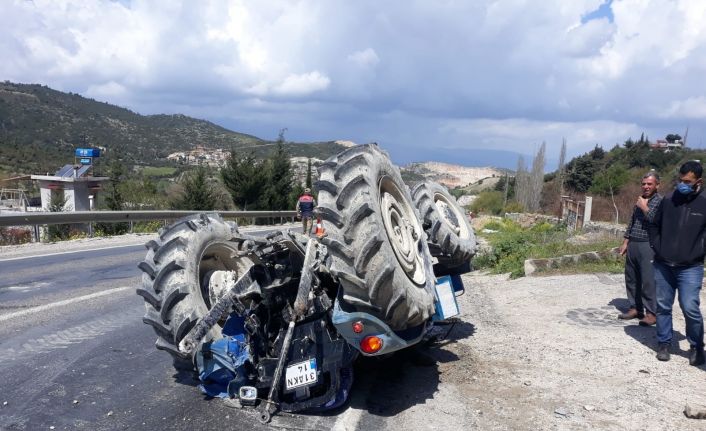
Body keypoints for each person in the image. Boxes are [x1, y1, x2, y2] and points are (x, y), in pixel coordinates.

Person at [648, 161, 706, 365]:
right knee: (663, 305)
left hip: (691, 267)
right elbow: (653, 225)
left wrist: (699, 251)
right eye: (680, 180)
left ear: (698, 181)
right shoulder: (669, 200)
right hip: (664, 264)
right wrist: (657, 246)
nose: (682, 184)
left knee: (690, 306)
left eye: (687, 181)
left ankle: (697, 346)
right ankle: (664, 343)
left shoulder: (704, 203)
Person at [617, 172, 662, 326]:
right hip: (634, 243)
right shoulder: (640, 200)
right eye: (643, 184)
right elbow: (632, 222)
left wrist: (644, 208)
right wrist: (625, 242)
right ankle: (635, 308)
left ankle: (651, 313)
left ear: (657, 185)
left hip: (648, 244)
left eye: (649, 184)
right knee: (631, 277)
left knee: (648, 280)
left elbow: (657, 222)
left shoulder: (661, 202)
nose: (646, 186)